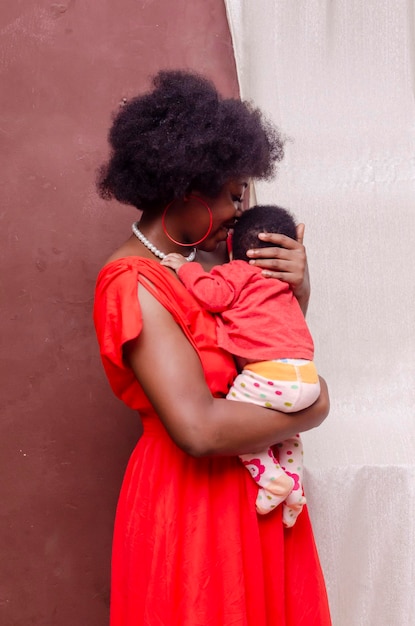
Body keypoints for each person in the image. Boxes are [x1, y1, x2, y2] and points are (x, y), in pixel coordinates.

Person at [93, 69, 331, 625]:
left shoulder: (206, 268)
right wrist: (315, 405)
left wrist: (297, 291)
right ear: (185, 187)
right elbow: (199, 429)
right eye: (232, 194)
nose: (240, 211)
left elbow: (260, 360)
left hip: (255, 494)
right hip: (190, 507)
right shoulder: (134, 281)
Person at [161, 204, 321, 527]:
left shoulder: (237, 272)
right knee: (287, 434)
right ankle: (294, 487)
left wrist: (184, 269)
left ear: (233, 247)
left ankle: (273, 479)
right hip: (307, 378)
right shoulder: (281, 287)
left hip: (272, 376)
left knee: (237, 421)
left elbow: (212, 295)